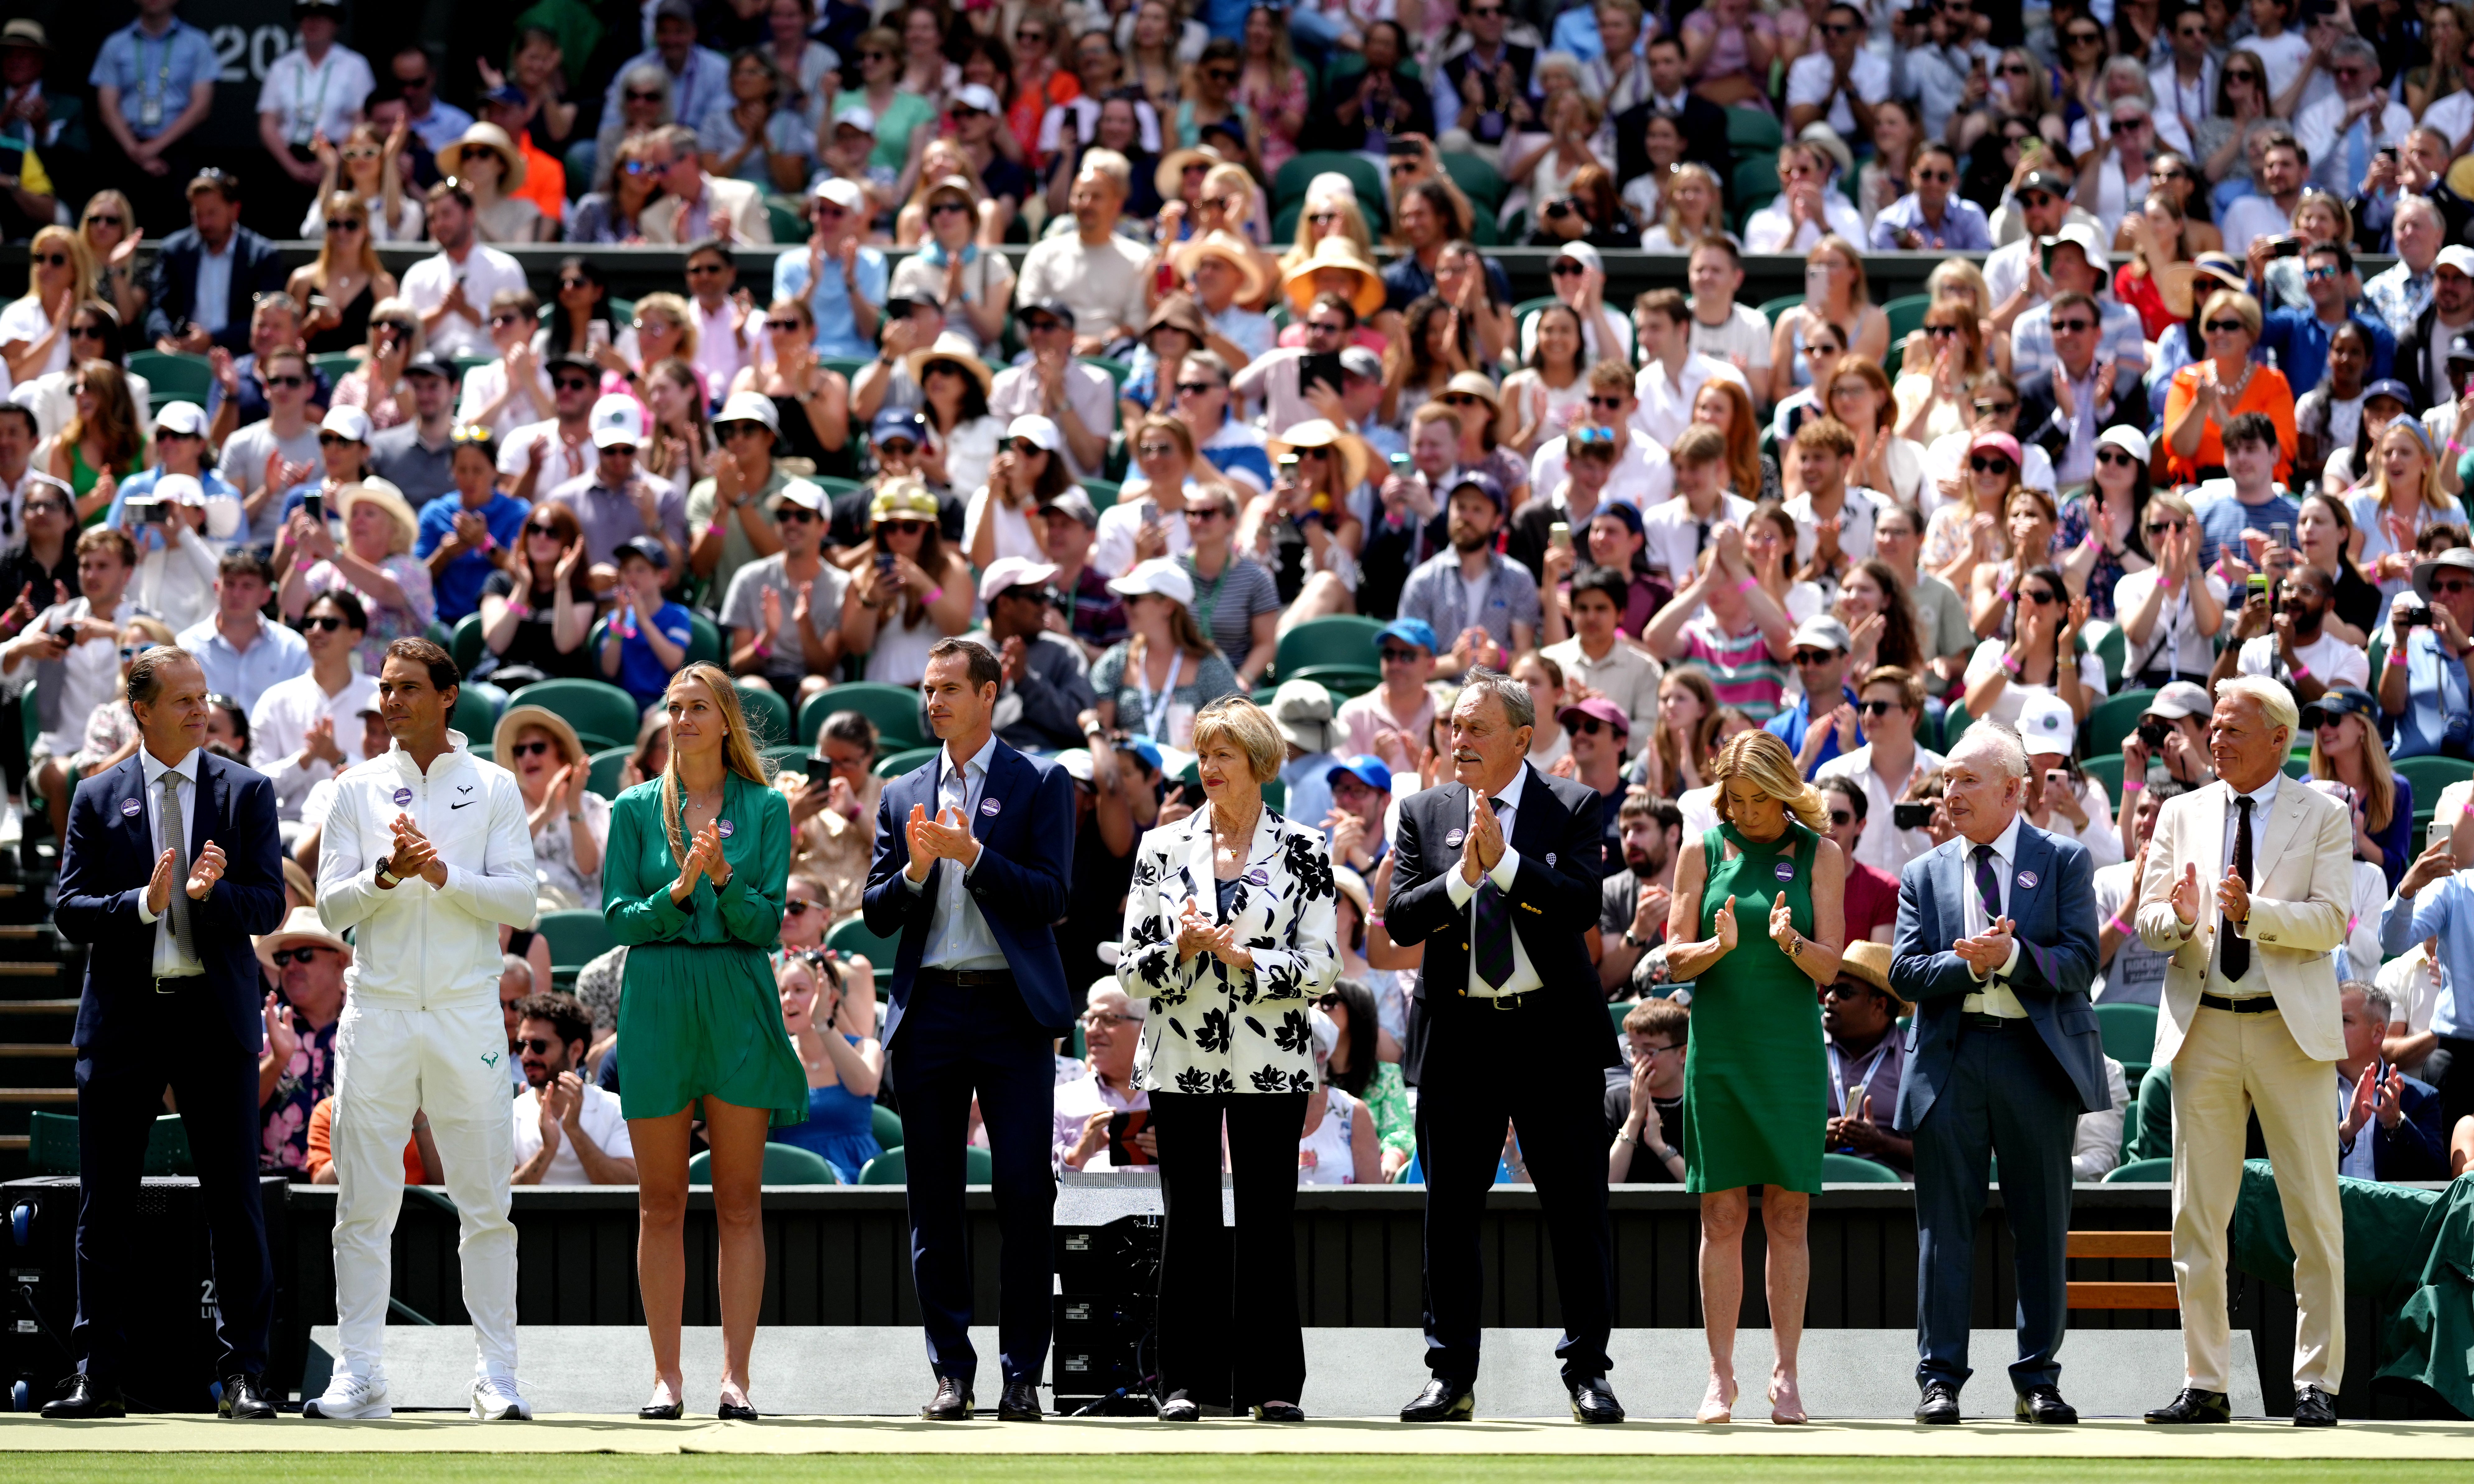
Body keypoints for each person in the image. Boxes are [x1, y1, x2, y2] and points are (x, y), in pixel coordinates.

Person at [42, 645, 284, 1421]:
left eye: (203, 698)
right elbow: (70, 909)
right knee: (104, 1204)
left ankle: (247, 1373)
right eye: (182, 700)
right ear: (140, 710)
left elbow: (270, 906)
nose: (199, 710)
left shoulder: (247, 790)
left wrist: (211, 898)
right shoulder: (94, 796)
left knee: (235, 1201)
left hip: (213, 1020)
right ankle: (95, 1374)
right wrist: (143, 906)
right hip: (124, 1021)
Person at [299, 636, 533, 1421]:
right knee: (363, 1206)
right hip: (381, 1009)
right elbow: (331, 909)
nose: (390, 701)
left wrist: (442, 876)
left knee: (486, 1205)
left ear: (448, 695)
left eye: (405, 689)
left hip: (467, 1009)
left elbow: (521, 904)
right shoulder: (355, 788)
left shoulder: (494, 785)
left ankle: (496, 1377)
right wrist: (386, 877)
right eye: (385, 689)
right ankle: (360, 1374)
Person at [1385, 670, 1625, 1425]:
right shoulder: (1422, 812)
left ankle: (1588, 1370)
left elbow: (1579, 905)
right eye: (1453, 726)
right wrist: (1463, 876)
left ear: (1522, 739)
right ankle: (1448, 1375)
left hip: (1551, 1039)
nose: (1458, 740)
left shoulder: (1575, 806)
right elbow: (1398, 919)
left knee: (1576, 1211)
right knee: (1448, 1214)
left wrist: (1510, 865)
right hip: (1459, 1040)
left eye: (1476, 728)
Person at [863, 638, 1075, 1422]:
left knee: (1024, 1192)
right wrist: (918, 870)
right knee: (933, 1200)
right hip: (930, 1015)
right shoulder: (902, 791)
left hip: (1011, 1011)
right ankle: (951, 1372)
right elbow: (875, 910)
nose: (934, 702)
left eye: (950, 688)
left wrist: (973, 855)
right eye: (927, 689)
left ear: (990, 694)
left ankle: (1023, 1374)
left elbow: (1054, 897)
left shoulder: (1042, 781)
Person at [2136, 676, 2350, 1427]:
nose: (2215, 740)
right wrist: (2180, 917)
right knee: (2195, 1215)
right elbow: (2148, 920)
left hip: (2287, 1031)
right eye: (2214, 728)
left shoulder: (2323, 813)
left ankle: (2315, 1383)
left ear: (2277, 740)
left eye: (2230, 729)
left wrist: (2249, 913)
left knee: (2312, 1216)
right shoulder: (2179, 810)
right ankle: (2205, 1382)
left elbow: (2330, 923)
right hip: (2204, 1024)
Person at [1115, 695, 1332, 1420]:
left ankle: (1272, 1385)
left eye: (1223, 756)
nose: (1207, 768)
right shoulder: (1161, 848)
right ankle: (1185, 1384)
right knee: (1191, 1219)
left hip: (1272, 1056)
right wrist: (1178, 948)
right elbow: (1130, 972)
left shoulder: (1306, 848)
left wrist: (1251, 960)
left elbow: (1323, 966)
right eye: (1202, 755)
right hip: (1180, 1056)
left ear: (1259, 763)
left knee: (1267, 1218)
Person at [1889, 720, 2107, 1427]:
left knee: (2040, 1227)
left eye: (1966, 780)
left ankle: (2037, 1380)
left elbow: (2079, 962)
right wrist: (1969, 964)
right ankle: (1938, 1379)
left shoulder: (2066, 861)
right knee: (1941, 1230)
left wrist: (2011, 960)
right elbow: (1902, 972)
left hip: (2033, 1061)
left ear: (2014, 790)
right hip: (1949, 1060)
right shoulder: (1923, 872)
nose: (1948, 792)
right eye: (1946, 778)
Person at [603, 663, 802, 1419]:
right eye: (674, 707)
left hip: (736, 995)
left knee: (739, 1203)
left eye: (697, 707)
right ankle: (666, 1377)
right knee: (659, 1202)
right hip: (654, 997)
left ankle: (735, 1378)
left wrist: (721, 880)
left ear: (726, 721)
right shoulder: (628, 809)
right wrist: (678, 893)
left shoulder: (766, 808)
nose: (682, 719)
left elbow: (767, 926)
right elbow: (619, 922)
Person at [1660, 729, 1845, 1424]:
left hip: (1790, 1050)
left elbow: (1831, 966)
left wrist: (1790, 941)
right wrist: (1718, 944)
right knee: (1723, 1211)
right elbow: (1674, 959)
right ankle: (1720, 1375)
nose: (1742, 812)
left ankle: (1787, 1374)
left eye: (1756, 800)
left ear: (1784, 793)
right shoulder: (1699, 848)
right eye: (1732, 799)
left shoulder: (1821, 853)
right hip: (1723, 1047)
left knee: (1790, 1211)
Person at [1816, 666, 1945, 882]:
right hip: (1853, 908)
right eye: (1863, 706)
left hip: (1923, 907)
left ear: (1911, 714)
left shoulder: (1945, 774)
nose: (1867, 716)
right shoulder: (1834, 773)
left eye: (1879, 707)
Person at [146, 171, 288, 358]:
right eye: (198, 214)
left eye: (212, 213)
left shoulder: (261, 256)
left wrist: (214, 338)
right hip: (183, 357)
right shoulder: (175, 251)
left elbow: (268, 319)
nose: (204, 223)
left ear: (235, 210)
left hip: (243, 359)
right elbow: (158, 308)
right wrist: (162, 338)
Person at [771, 948, 884, 1183]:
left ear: (830, 997)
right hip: (790, 1179)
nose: (788, 999)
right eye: (782, 991)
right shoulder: (774, 1059)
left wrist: (822, 1023)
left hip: (856, 1178)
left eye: (799, 990)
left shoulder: (866, 1047)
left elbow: (863, 1086)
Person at [510, 990, 637, 1185]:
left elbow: (630, 1188)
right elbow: (504, 1198)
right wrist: (547, 1150)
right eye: (521, 1046)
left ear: (575, 1050)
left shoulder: (614, 1109)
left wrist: (574, 1131)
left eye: (539, 1046)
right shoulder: (510, 1113)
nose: (527, 1056)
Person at [399, 181, 530, 364]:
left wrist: (466, 310)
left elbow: (520, 332)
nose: (439, 224)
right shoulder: (418, 273)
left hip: (492, 368)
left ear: (470, 216)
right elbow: (403, 334)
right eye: (432, 219)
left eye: (446, 214)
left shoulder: (505, 267)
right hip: (431, 374)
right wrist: (442, 312)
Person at [494, 702, 607, 912]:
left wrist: (574, 807)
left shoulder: (591, 805)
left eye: (538, 748)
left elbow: (588, 870)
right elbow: (501, 858)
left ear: (562, 754)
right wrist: (545, 812)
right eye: (520, 751)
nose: (527, 757)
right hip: (523, 912)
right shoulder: (505, 803)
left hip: (580, 914)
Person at [178, 551, 306, 717]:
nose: (237, 594)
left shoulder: (293, 648)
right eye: (230, 584)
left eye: (247, 586)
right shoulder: (186, 647)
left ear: (266, 595)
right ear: (217, 588)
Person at [1607, 997, 1688, 1184]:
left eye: (1650, 1052)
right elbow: (1606, 1185)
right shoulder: (1614, 1102)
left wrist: (1660, 1147)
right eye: (1633, 1051)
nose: (1637, 1062)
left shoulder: (1702, 1107)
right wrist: (1634, 1119)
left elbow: (1710, 1192)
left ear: (1683, 1054)